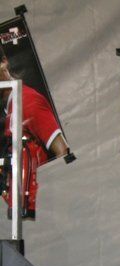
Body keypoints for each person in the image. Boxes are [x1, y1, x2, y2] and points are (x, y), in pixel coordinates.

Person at [0, 46, 70, 218]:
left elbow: (63, 152)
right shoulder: (7, 108)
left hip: (40, 209)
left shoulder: (27, 100)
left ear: (4, 62)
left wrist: (51, 196)